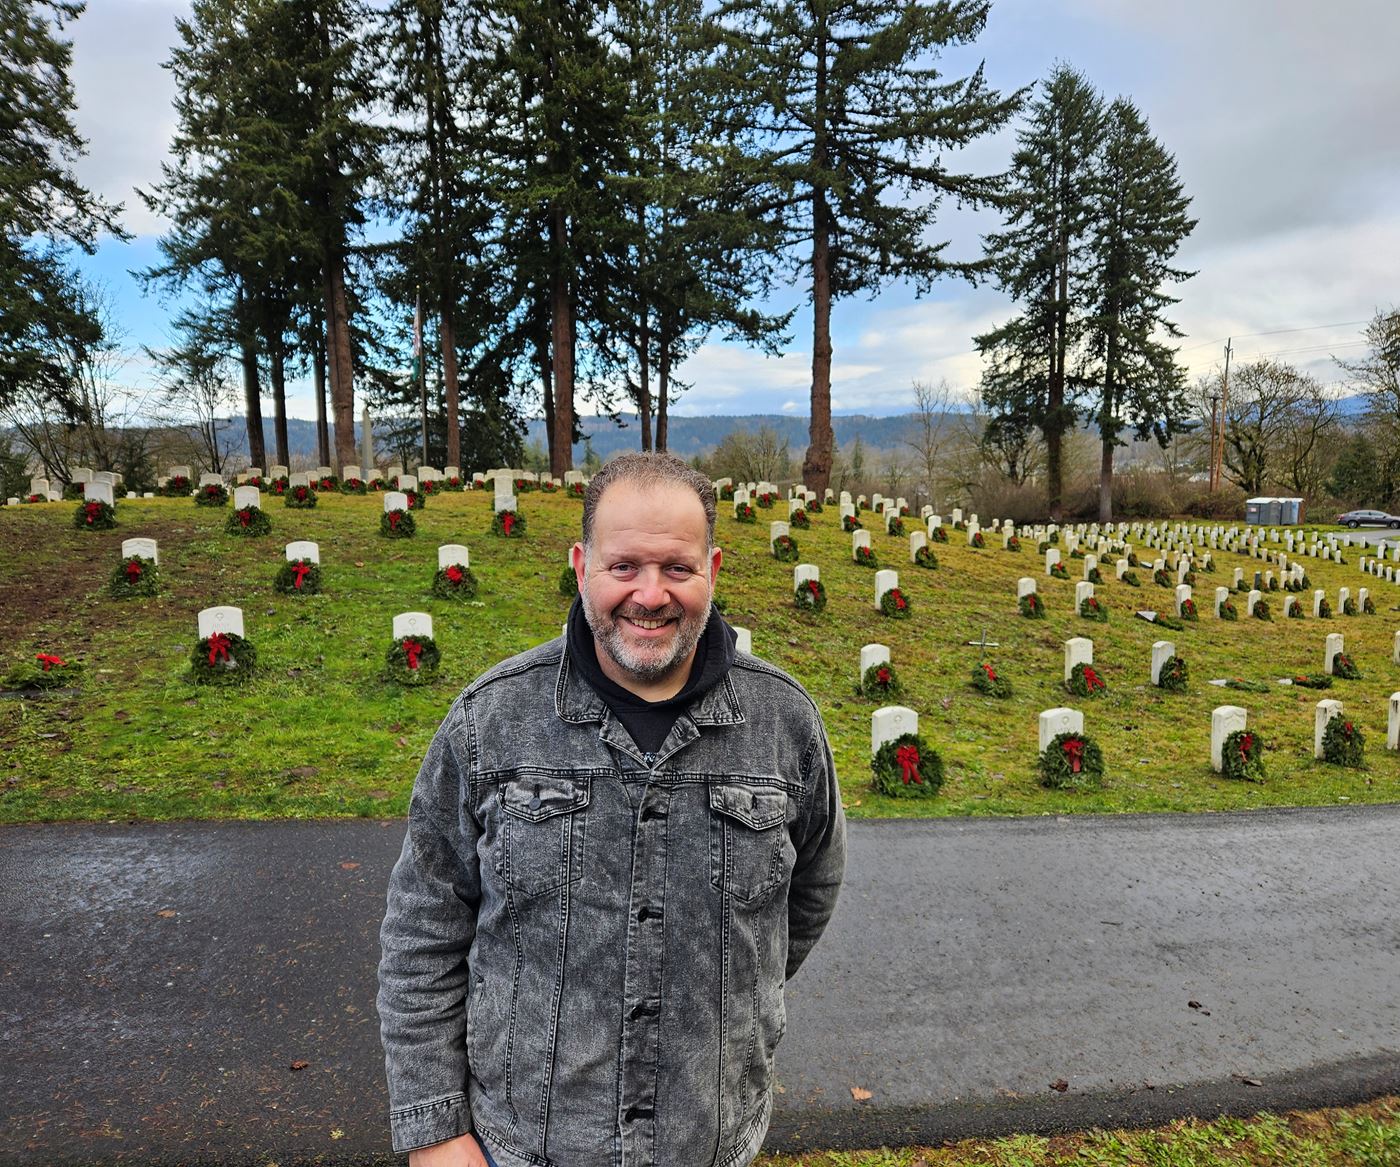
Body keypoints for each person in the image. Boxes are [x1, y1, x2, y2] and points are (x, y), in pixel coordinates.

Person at [378, 452, 846, 1167]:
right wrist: (436, 1129)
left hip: (710, 1142)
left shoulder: (785, 724)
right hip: (522, 1146)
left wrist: (732, 994)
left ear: (713, 570)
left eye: (677, 568)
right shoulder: (490, 720)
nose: (650, 594)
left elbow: (805, 896)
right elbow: (423, 925)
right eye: (624, 565)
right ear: (582, 564)